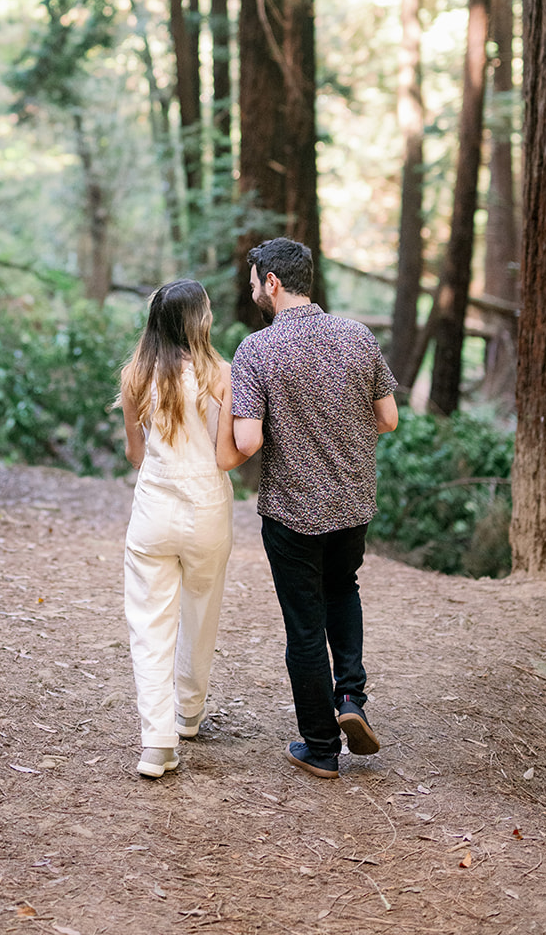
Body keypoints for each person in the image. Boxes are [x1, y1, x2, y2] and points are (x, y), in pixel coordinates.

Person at [218, 237, 399, 779]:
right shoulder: (357, 336)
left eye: (253, 281)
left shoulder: (256, 350)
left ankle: (320, 746)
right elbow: (388, 419)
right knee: (343, 590)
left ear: (271, 282)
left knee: (303, 624)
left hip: (293, 510)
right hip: (351, 505)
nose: (251, 290)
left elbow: (246, 441)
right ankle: (351, 700)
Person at [120, 279, 236, 778]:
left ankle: (157, 742)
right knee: (201, 609)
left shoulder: (135, 376)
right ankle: (189, 711)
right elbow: (226, 456)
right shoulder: (221, 374)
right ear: (199, 321)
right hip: (207, 506)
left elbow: (134, 453)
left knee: (149, 623)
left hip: (153, 510)